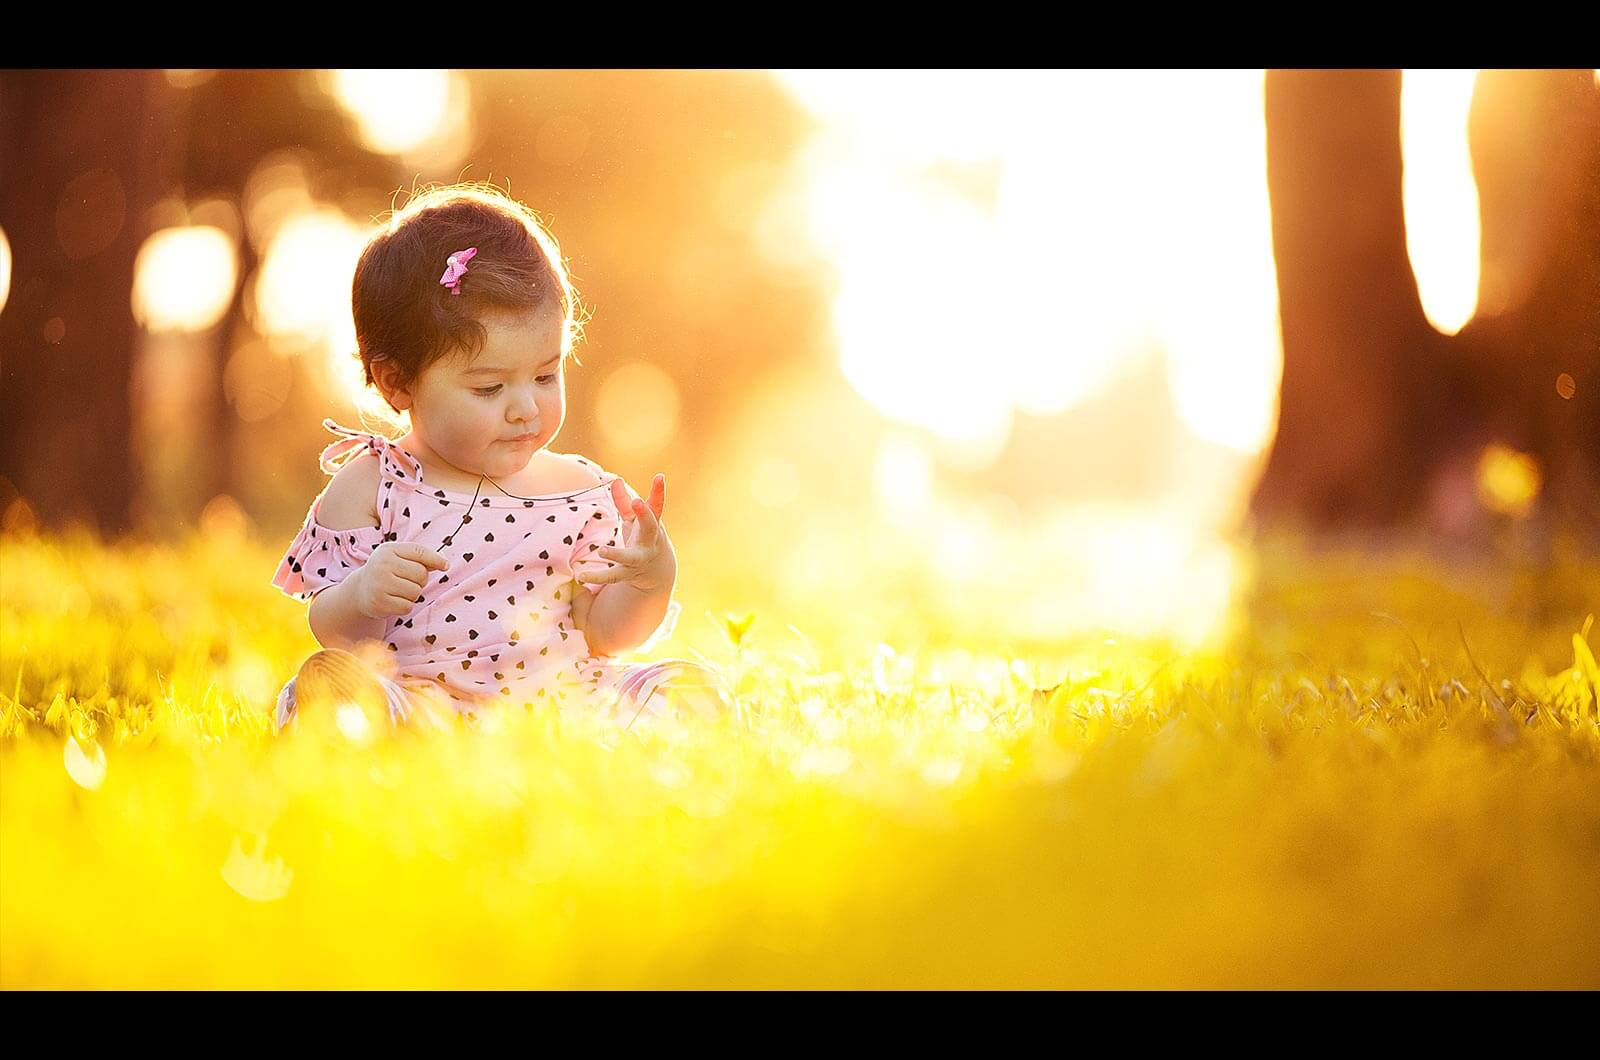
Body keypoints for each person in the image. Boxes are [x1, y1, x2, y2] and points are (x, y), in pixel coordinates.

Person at [270, 184, 731, 736]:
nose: (526, 408)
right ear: (397, 382)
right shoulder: (374, 486)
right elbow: (333, 628)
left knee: (685, 688)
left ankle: (608, 744)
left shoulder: (578, 490)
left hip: (563, 707)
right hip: (427, 704)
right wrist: (362, 593)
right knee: (333, 687)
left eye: (545, 376)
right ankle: (396, 738)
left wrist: (650, 580)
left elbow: (607, 634)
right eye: (490, 387)